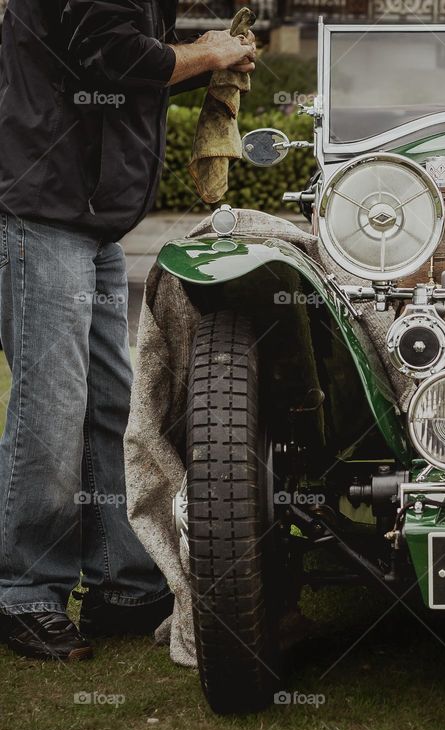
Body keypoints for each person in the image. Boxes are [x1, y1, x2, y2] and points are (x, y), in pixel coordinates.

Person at [0, 0, 256, 661]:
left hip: (88, 217)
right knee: (51, 405)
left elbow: (119, 60)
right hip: (44, 211)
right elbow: (111, 57)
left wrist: (205, 57)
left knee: (116, 403)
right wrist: (206, 55)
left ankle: (122, 579)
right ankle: (26, 591)